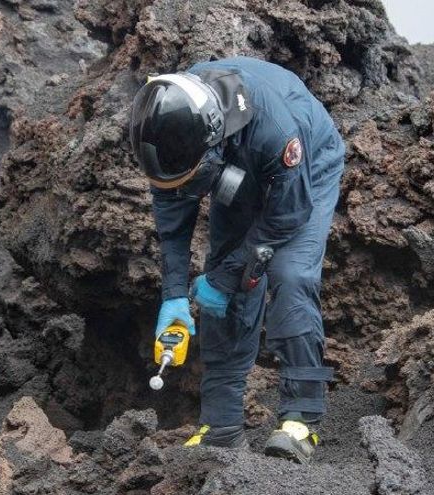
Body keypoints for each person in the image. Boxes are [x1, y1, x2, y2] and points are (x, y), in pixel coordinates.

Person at [129, 56, 345, 464]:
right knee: (225, 282)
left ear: (213, 138)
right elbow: (173, 226)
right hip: (234, 170)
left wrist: (229, 275)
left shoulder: (274, 130)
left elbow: (288, 213)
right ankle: (222, 427)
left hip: (305, 172)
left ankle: (301, 421)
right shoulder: (167, 134)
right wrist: (174, 296)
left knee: (290, 274)